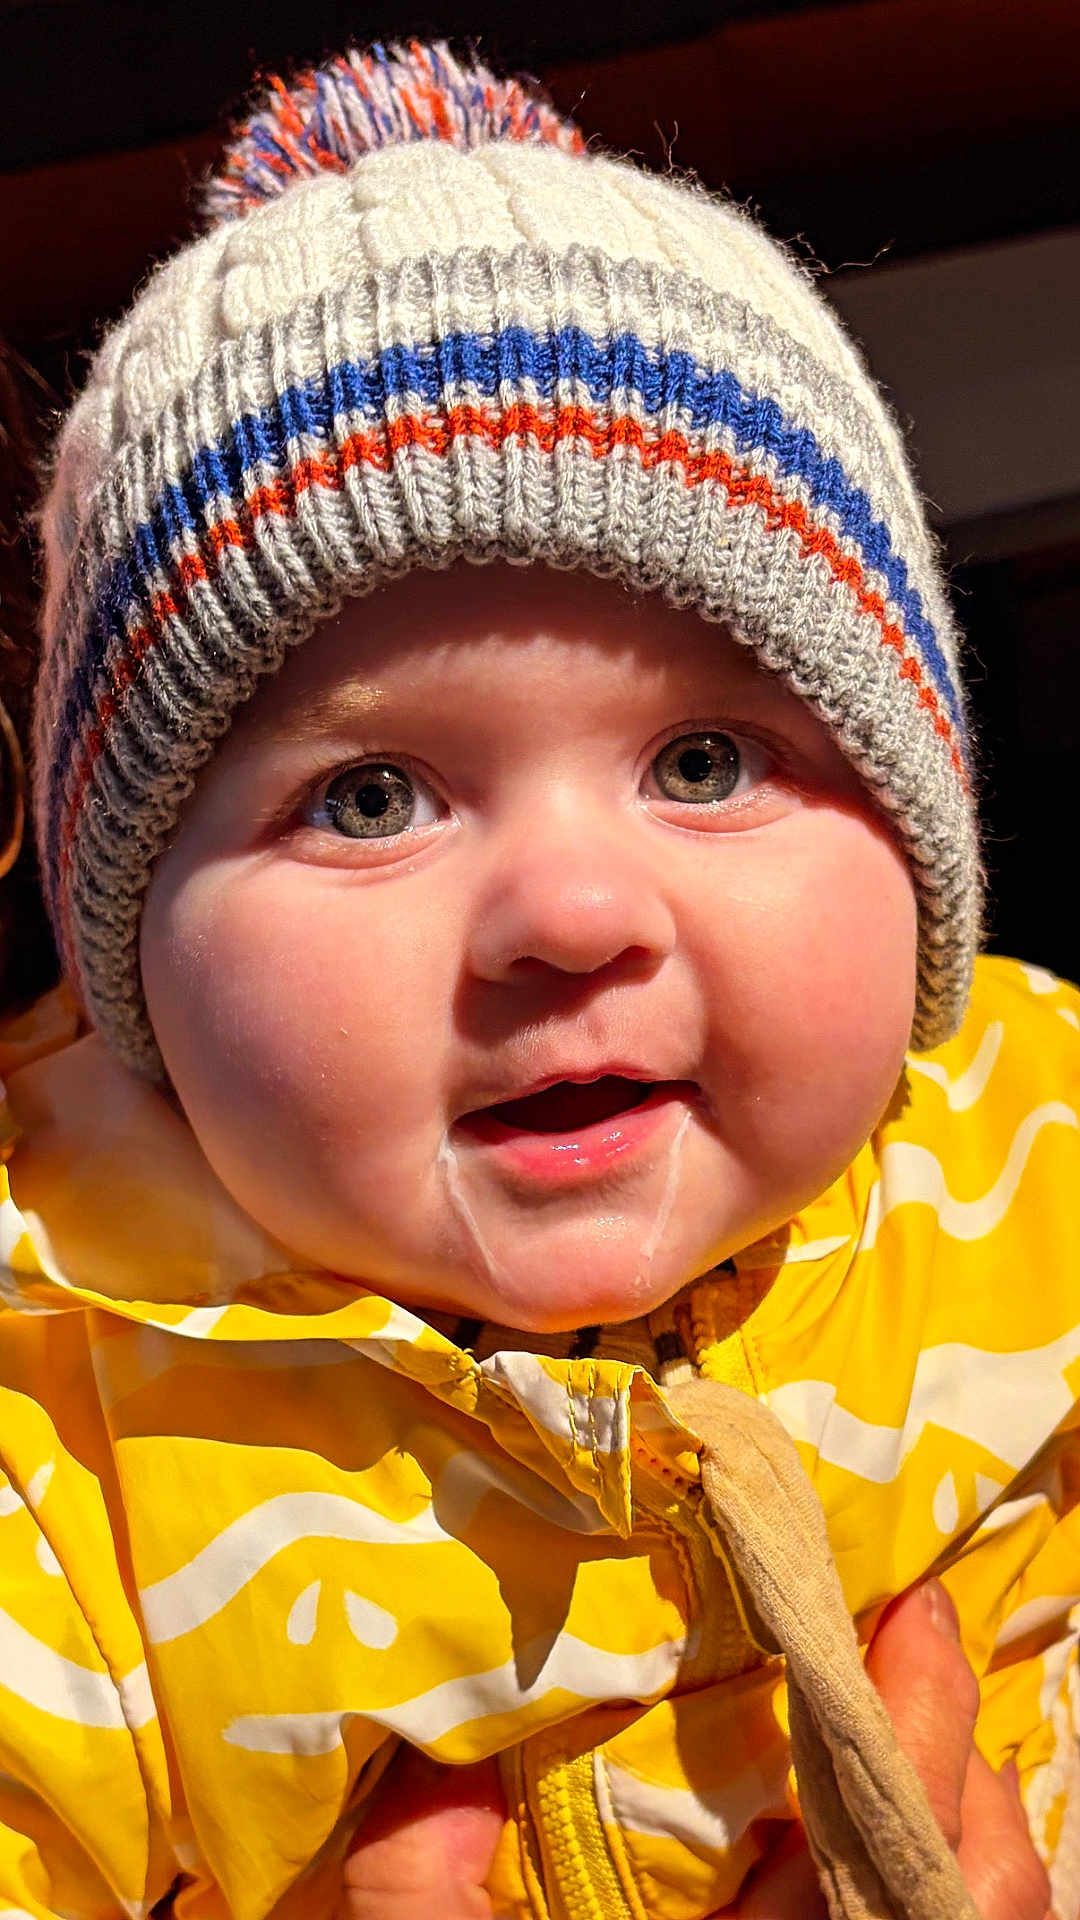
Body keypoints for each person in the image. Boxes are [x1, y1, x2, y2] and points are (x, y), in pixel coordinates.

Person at [0, 39, 1072, 1920]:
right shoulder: (60, 1432)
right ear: (133, 973)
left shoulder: (1029, 1174)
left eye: (709, 764)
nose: (575, 915)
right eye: (371, 795)